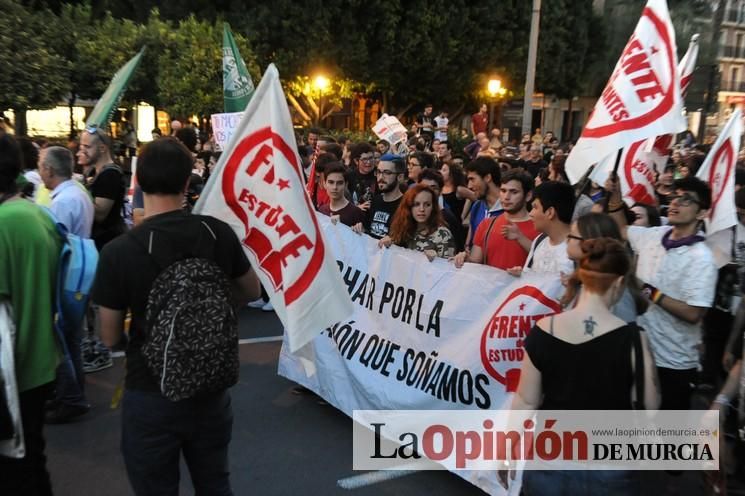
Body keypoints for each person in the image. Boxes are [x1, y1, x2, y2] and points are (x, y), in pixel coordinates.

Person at [91, 137, 260, 495]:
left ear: (138, 181)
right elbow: (251, 291)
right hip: (211, 389)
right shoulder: (217, 232)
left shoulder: (120, 251)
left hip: (150, 391)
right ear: (187, 183)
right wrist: (211, 317)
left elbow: (108, 336)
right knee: (215, 482)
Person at [500, 238, 659, 494]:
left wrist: (506, 450)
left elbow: (525, 401)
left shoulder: (544, 330)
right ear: (619, 283)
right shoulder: (633, 339)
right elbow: (648, 408)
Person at [607, 175, 717, 410]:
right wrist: (616, 197)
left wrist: (648, 291)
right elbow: (621, 230)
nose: (676, 203)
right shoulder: (655, 235)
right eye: (675, 196)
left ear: (702, 213)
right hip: (639, 348)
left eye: (686, 200)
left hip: (673, 362)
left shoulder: (701, 258)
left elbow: (693, 313)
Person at [0, 134, 61, 495]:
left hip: (13, 372)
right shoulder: (35, 213)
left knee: (15, 474)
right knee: (32, 463)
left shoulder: (6, 223)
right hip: (40, 360)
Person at [38, 146, 95, 423]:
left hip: (66, 277)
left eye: (41, 165)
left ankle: (71, 396)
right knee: (71, 339)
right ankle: (73, 393)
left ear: (49, 169)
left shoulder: (61, 202)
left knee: (62, 341)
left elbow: (54, 244)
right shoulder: (77, 193)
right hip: (78, 276)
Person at [453, 169, 538, 270]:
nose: (506, 197)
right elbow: (476, 263)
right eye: (503, 191)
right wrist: (464, 259)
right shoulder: (487, 224)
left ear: (528, 196)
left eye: (514, 192)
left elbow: (547, 262)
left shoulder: (540, 227)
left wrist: (521, 238)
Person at [566, 213, 639, 323]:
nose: (566, 240)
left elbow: (622, 336)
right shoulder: (582, 280)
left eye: (571, 236)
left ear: (588, 243)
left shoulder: (617, 296)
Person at [379, 184, 455, 261]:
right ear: (409, 207)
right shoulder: (402, 228)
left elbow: (448, 268)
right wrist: (386, 244)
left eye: (427, 205)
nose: (422, 209)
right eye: (416, 204)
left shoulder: (443, 234)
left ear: (433, 207)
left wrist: (436, 260)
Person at [518, 181, 575, 277]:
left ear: (550, 212)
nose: (531, 213)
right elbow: (527, 277)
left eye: (535, 207)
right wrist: (520, 275)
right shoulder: (539, 240)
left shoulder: (577, 249)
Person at [417, 168, 466, 253]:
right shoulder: (410, 213)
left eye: (433, 188)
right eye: (424, 188)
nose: (429, 192)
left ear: (440, 191)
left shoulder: (448, 219)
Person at [358, 154, 405, 239]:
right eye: (379, 172)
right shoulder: (375, 200)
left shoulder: (406, 205)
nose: (380, 177)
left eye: (387, 173)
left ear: (400, 177)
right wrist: (361, 228)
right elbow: (368, 229)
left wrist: (392, 240)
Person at [464, 157, 503, 248]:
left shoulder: (510, 209)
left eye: (472, 179)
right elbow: (469, 244)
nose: (469, 186)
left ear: (487, 177)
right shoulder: (477, 206)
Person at [319, 162, 366, 227]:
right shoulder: (321, 210)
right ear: (324, 184)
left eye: (339, 183)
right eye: (331, 182)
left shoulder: (356, 213)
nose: (335, 187)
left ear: (346, 185)